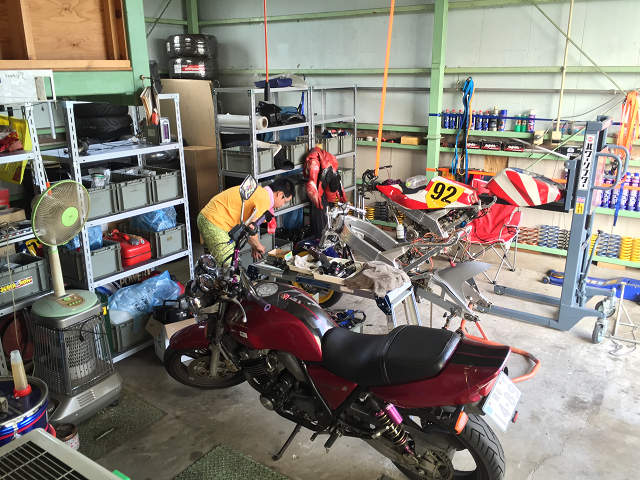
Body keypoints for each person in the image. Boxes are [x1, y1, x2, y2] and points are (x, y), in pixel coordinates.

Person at [197, 178, 294, 266]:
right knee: (230, 265)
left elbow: (250, 227)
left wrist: (254, 246)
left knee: (214, 266)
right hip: (214, 222)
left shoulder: (261, 193)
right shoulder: (264, 199)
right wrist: (258, 245)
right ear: (280, 194)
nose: (282, 205)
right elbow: (250, 227)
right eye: (285, 202)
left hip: (211, 219)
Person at [304, 144, 347, 238]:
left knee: (326, 212)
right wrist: (319, 204)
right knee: (319, 214)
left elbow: (340, 191)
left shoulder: (333, 169)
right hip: (317, 182)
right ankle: (319, 237)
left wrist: (344, 201)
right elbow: (311, 185)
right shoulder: (315, 164)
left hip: (325, 181)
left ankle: (323, 235)